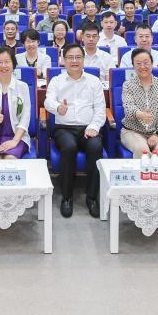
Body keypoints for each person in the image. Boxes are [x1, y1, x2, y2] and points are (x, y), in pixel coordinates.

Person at [43, 43, 107, 217]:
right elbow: (48, 101)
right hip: (64, 128)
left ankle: (92, 197)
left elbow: (100, 109)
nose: (74, 61)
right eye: (70, 57)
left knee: (95, 147)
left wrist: (93, 127)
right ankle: (67, 196)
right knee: (69, 147)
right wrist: (58, 107)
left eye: (78, 57)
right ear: (63, 60)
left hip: (88, 128)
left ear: (84, 59)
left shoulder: (94, 81)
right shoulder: (57, 81)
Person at [119, 48, 158, 164]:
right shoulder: (128, 85)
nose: (143, 67)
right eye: (138, 63)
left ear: (152, 63)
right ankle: (143, 176)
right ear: (133, 65)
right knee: (142, 150)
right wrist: (139, 114)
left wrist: (157, 134)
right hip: (133, 131)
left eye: (146, 63)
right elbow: (128, 107)